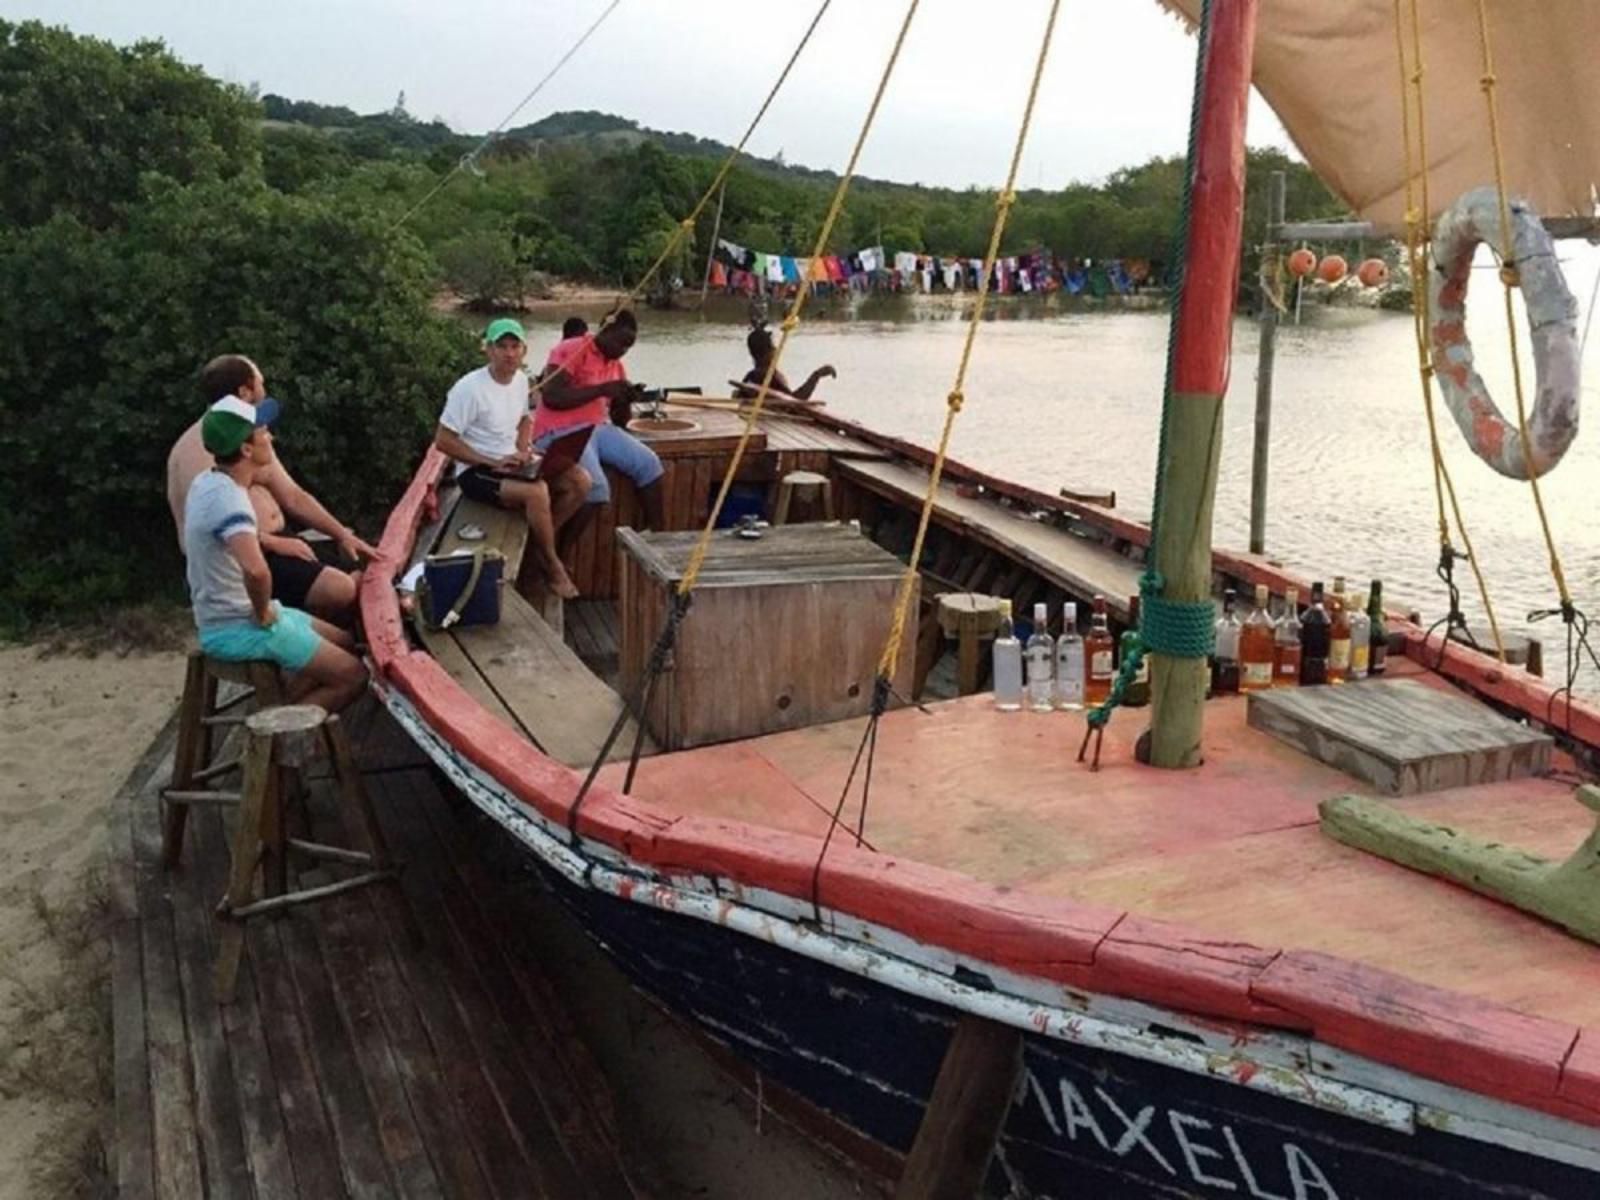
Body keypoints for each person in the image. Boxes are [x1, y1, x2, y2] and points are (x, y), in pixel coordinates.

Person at [184, 397, 367, 713]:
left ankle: (283, 707)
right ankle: (281, 742)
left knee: (347, 643)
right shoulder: (233, 502)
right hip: (238, 627)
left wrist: (270, 542)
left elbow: (219, 535)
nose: (271, 437)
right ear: (246, 450)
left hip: (222, 617)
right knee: (354, 675)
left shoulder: (208, 483)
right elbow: (257, 572)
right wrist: (263, 613)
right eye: (264, 432)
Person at [167, 355, 376, 626]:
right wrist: (273, 542)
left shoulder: (249, 430)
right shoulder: (203, 448)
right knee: (343, 588)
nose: (265, 388)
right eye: (261, 382)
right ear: (245, 391)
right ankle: (303, 645)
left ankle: (329, 641)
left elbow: (293, 496)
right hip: (245, 558)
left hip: (280, 541)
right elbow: (208, 529)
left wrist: (341, 534)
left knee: (366, 575)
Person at [434, 317, 588, 599]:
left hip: (511, 463)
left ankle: (538, 548)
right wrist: (490, 461)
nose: (509, 353)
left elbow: (523, 419)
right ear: (488, 350)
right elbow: (443, 440)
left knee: (580, 481)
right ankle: (552, 566)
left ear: (524, 351)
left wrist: (524, 450)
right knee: (538, 493)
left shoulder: (520, 380)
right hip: (476, 472)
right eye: (501, 346)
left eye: (515, 346)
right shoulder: (469, 389)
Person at [533, 309, 666, 532]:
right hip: (560, 430)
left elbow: (619, 421)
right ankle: (555, 555)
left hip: (598, 428)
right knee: (596, 489)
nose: (622, 351)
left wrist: (625, 400)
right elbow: (551, 396)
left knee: (649, 464)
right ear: (606, 331)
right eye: (620, 343)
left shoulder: (616, 365)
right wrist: (602, 390)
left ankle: (658, 534)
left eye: (628, 347)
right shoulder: (573, 349)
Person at [735, 325, 836, 401]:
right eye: (773, 347)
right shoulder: (767, 376)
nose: (775, 349)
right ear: (768, 352)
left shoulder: (751, 376)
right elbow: (795, 401)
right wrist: (816, 375)